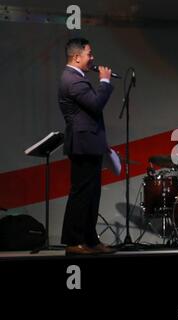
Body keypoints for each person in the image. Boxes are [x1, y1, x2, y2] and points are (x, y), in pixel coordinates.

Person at [59, 38, 115, 255]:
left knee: (92, 194)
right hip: (82, 144)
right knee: (81, 194)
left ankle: (90, 240)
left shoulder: (76, 78)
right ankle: (74, 241)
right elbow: (95, 103)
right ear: (77, 56)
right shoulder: (72, 79)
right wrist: (105, 82)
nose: (92, 58)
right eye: (89, 54)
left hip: (90, 143)